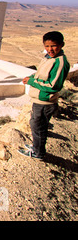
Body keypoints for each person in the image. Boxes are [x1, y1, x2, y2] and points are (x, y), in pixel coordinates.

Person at [19, 31, 70, 160]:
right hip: (39, 99)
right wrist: (31, 77)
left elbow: (53, 86)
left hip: (45, 101)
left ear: (61, 45)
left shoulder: (60, 62)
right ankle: (36, 147)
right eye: (47, 46)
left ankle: (38, 153)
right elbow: (40, 74)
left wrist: (31, 82)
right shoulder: (48, 58)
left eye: (53, 46)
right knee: (35, 124)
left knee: (39, 127)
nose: (50, 49)